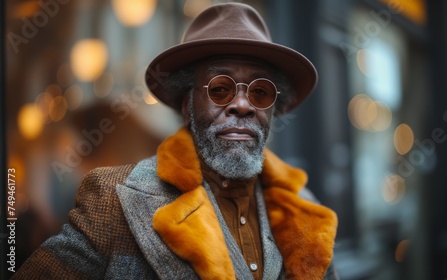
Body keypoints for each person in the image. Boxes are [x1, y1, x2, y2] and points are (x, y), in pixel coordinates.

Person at [14, 3, 338, 279]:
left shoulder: (307, 209)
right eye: (220, 88)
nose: (242, 105)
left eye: (260, 92)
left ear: (273, 109)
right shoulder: (115, 200)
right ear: (187, 105)